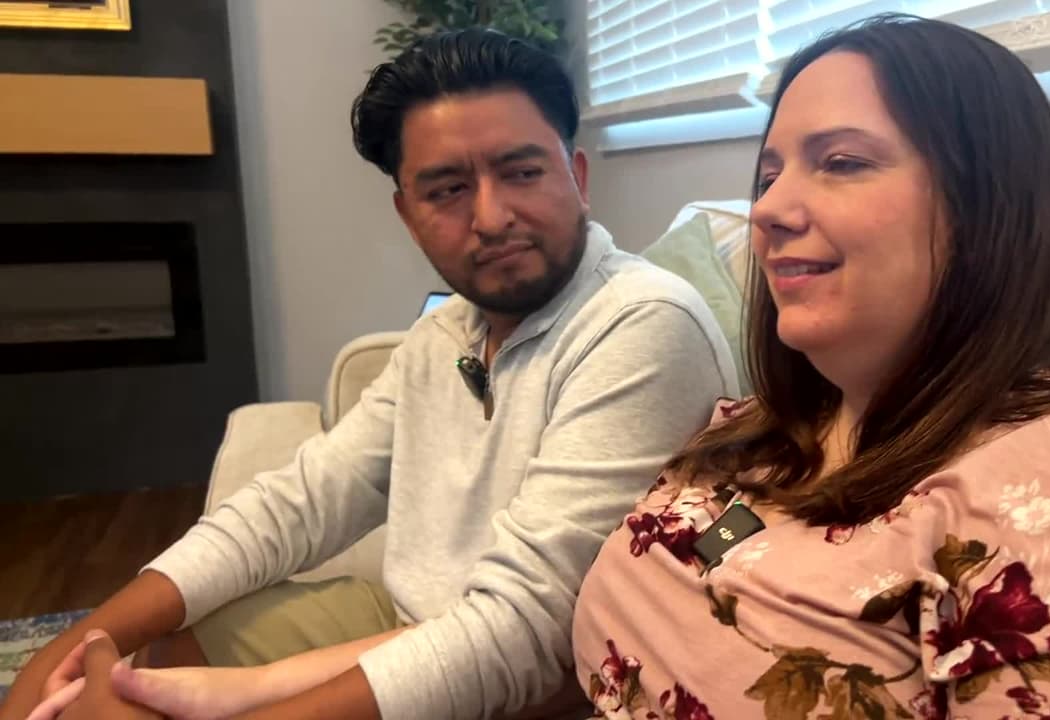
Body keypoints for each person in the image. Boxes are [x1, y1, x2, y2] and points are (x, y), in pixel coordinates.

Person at [4, 29, 739, 720]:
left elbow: (526, 632)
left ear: (577, 177)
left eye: (521, 172)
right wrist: (72, 645)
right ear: (407, 214)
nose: (491, 217)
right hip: (406, 625)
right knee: (159, 651)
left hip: (545, 682)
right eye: (447, 189)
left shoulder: (641, 324)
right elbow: (303, 499)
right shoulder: (447, 332)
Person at [570, 14, 1050, 720]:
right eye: (769, 175)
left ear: (982, 204)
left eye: (841, 162)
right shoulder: (768, 426)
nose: (768, 209)